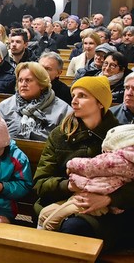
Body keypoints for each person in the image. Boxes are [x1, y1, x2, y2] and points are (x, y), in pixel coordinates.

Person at [33, 76, 134, 250]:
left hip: (108, 210)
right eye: (74, 95)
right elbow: (41, 182)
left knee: (75, 227)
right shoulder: (60, 135)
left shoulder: (119, 137)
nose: (74, 101)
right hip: (63, 199)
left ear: (100, 103)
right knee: (60, 222)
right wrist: (70, 186)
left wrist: (108, 199)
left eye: (82, 96)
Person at [38, 124, 134, 231]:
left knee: (54, 223)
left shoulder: (117, 159)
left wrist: (71, 166)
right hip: (84, 194)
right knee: (45, 214)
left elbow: (90, 166)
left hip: (99, 202)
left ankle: (45, 245)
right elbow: (40, 182)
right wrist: (69, 185)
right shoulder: (125, 159)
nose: (74, 106)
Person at [0, 62, 72, 141]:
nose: (23, 84)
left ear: (42, 84)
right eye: (20, 80)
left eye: (28, 80)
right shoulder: (5, 106)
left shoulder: (64, 110)